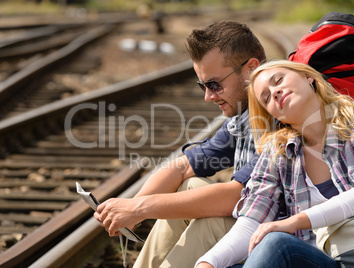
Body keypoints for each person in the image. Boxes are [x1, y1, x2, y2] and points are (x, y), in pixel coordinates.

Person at [195, 60, 354, 268]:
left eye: (279, 80)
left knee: (276, 243)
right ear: (273, 115)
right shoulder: (278, 152)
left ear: (307, 76)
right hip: (312, 260)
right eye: (266, 98)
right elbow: (251, 223)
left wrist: (294, 222)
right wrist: (207, 262)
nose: (274, 93)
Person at [94, 20, 266, 268]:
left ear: (250, 69)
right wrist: (133, 208)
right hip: (253, 224)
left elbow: (240, 195)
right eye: (203, 86)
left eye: (215, 84)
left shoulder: (280, 109)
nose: (208, 96)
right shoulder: (247, 111)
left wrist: (142, 208)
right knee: (189, 185)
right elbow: (184, 166)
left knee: (210, 221)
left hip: (279, 238)